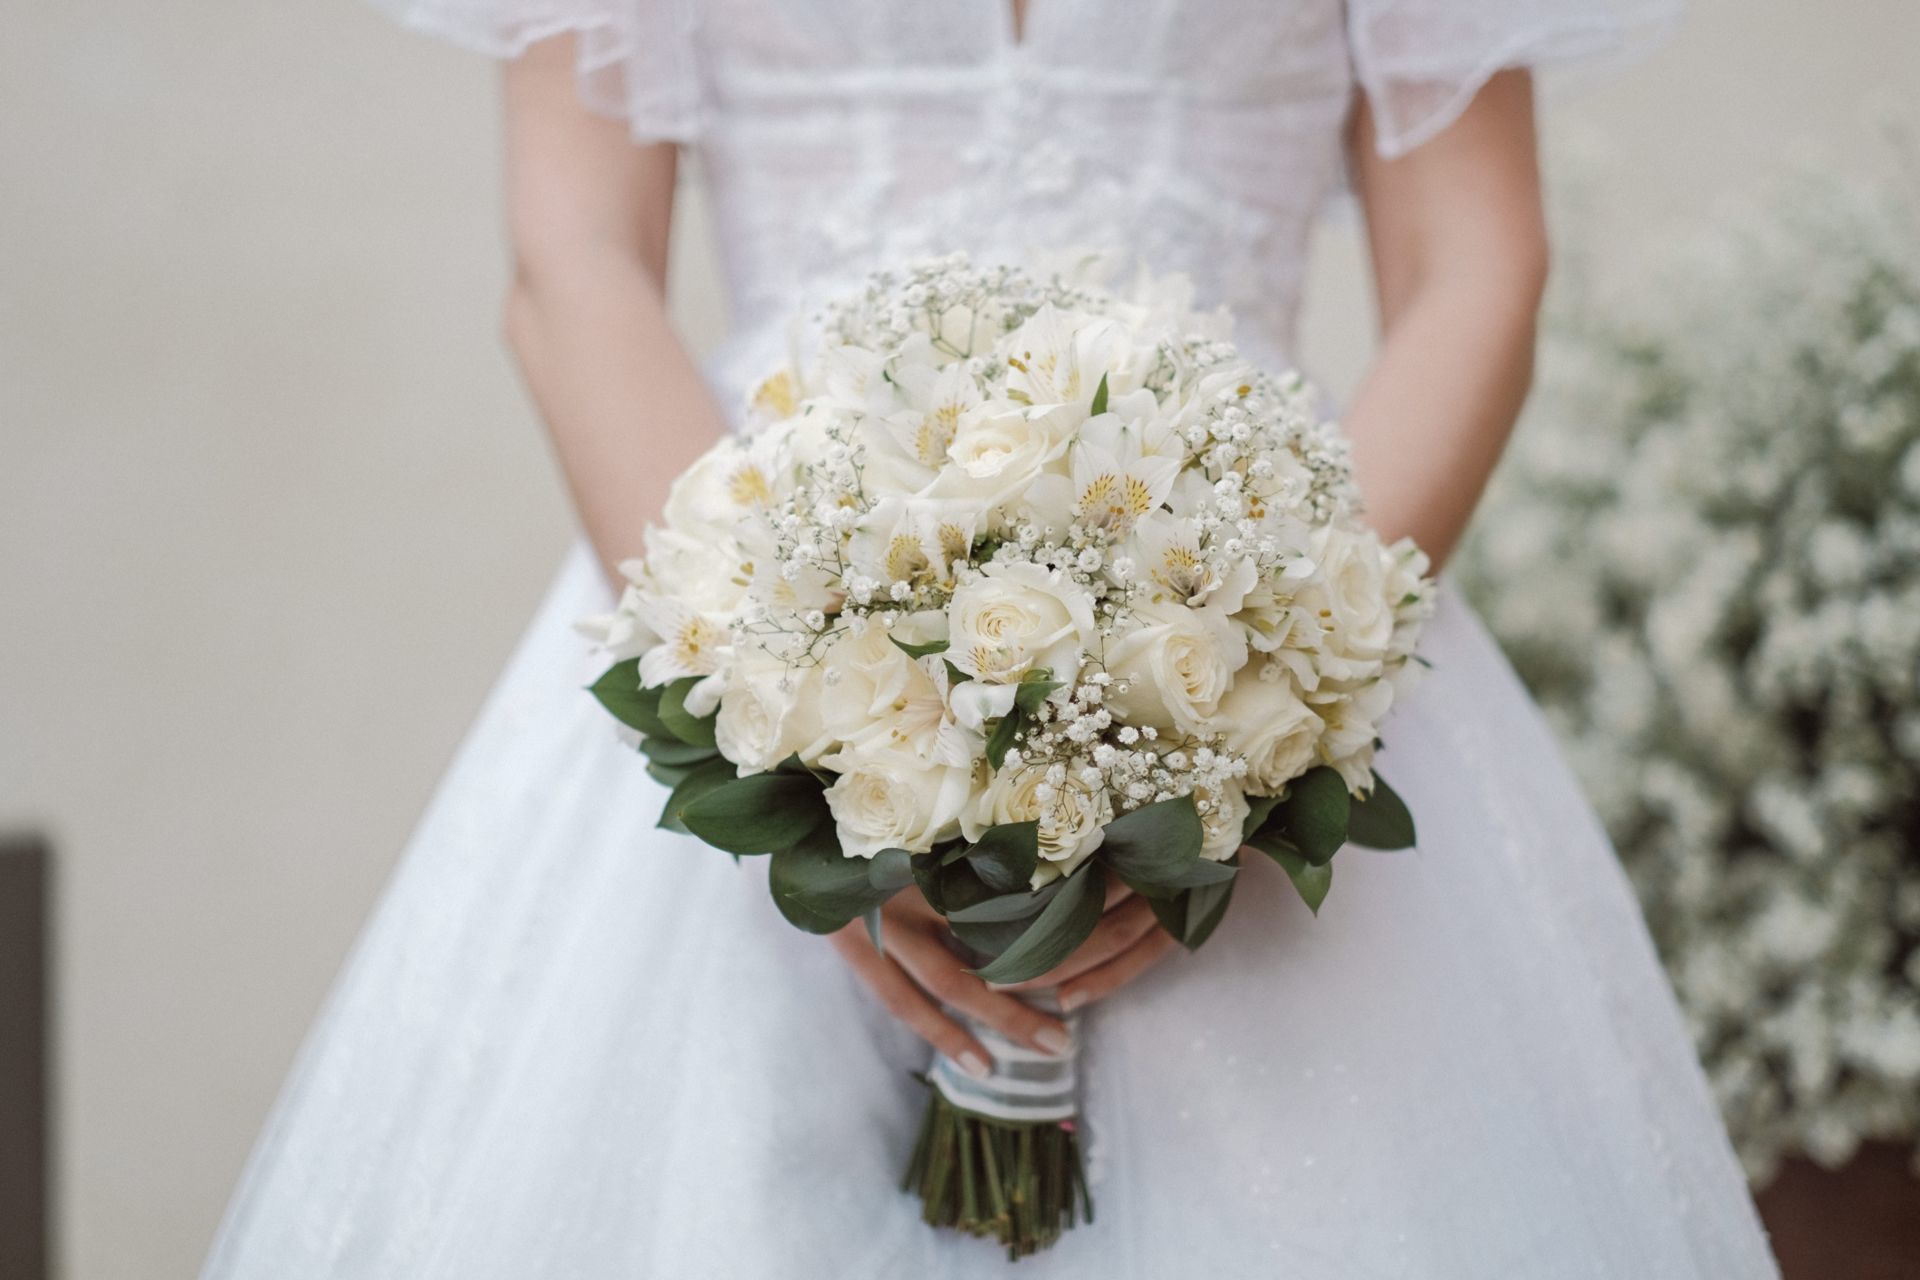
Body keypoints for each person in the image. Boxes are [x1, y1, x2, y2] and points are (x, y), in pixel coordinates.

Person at [204, 2, 1780, 1274]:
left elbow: (1476, 273)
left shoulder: (1258, 673)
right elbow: (573, 266)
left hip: (1240, 617)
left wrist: (1261, 704)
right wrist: (782, 718)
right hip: (749, 590)